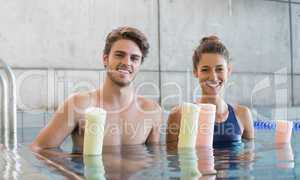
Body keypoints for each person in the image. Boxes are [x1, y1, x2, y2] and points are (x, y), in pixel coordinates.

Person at [30, 26, 162, 152]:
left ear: (139, 64)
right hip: (86, 176)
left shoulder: (151, 111)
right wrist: (71, 170)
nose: (127, 63)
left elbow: (153, 159)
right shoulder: (78, 105)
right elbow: (39, 148)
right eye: (119, 55)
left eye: (134, 58)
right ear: (105, 59)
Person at [166, 35, 254, 146]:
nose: (213, 77)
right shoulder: (179, 115)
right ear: (195, 72)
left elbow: (248, 160)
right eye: (205, 70)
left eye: (219, 69)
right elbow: (172, 160)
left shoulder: (242, 115)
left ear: (228, 71)